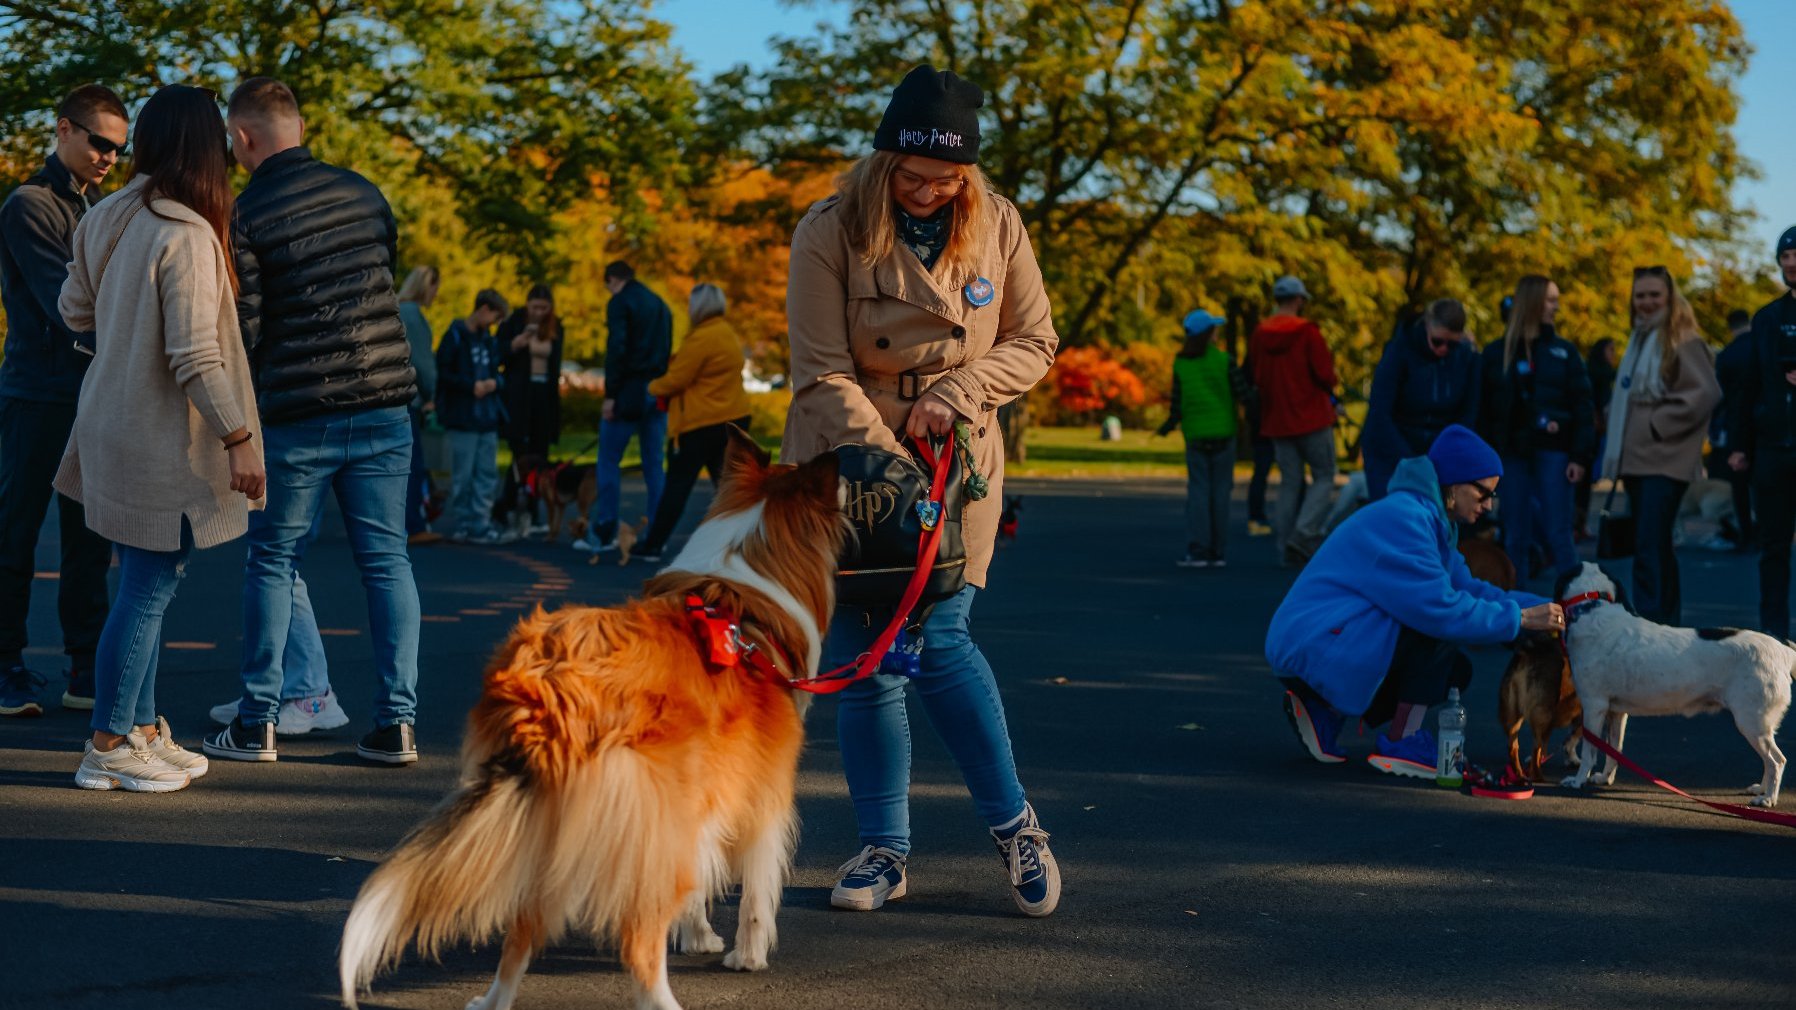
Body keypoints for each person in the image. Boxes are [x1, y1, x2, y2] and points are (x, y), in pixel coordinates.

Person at [782, 64, 1062, 916]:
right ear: (884, 163)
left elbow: (1035, 341)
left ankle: (1016, 827)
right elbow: (820, 372)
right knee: (865, 659)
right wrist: (890, 459)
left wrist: (958, 392)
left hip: (959, 461)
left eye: (948, 179)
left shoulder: (999, 224)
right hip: (852, 463)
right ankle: (882, 850)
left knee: (940, 638)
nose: (932, 192)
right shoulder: (828, 230)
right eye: (914, 176)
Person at [205, 77, 422, 766]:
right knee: (388, 561)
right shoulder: (364, 191)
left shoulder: (246, 214)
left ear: (243, 137)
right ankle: (399, 725)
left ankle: (259, 721)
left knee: (273, 559)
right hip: (387, 405)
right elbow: (383, 279)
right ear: (297, 125)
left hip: (300, 415)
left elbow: (248, 328)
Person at [58, 84, 264, 791]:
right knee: (149, 584)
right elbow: (196, 355)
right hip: (157, 434)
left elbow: (72, 310)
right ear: (207, 148)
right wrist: (239, 437)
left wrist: (123, 328)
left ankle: (140, 726)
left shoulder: (107, 213)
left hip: (106, 422)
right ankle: (109, 741)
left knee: (144, 580)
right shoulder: (185, 231)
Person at [1269, 426, 1560, 777]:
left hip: (1320, 639)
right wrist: (1522, 619)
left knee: (1455, 670)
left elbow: (1472, 590)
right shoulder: (1406, 521)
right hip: (1313, 645)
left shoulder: (1430, 521)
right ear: (1454, 485)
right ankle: (1402, 742)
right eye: (1483, 493)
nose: (1488, 505)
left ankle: (1324, 711)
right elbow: (1441, 610)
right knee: (1437, 630)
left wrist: (1558, 606)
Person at [0, 85, 126, 718]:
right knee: (13, 534)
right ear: (64, 130)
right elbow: (66, 306)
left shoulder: (99, 206)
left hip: (90, 394)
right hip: (35, 393)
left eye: (117, 149)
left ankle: (84, 666)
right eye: (99, 141)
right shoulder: (30, 204)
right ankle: (5, 666)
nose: (108, 156)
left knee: (89, 539)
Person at [1601, 267, 1720, 625]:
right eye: (1640, 295)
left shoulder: (1681, 339)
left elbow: (1705, 392)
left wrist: (1656, 424)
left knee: (1650, 550)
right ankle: (1663, 627)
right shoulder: (1642, 338)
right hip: (1640, 462)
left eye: (1655, 294)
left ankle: (1652, 628)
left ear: (1670, 297)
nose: (1647, 302)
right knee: (1653, 549)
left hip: (1663, 462)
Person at [1478, 275, 1593, 583]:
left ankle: (1577, 612)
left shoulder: (1564, 353)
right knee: (1515, 534)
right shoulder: (1495, 354)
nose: (1557, 307)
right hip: (1512, 454)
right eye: (1551, 300)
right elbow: (1485, 410)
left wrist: (1579, 457)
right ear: (1533, 303)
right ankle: (1520, 617)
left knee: (1560, 534)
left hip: (1555, 453)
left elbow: (1583, 407)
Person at [634, 283, 751, 564]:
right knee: (730, 489)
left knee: (678, 486)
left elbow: (676, 379)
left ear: (698, 307)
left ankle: (653, 545)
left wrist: (650, 388)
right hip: (731, 418)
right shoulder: (726, 334)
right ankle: (746, 548)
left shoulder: (702, 338)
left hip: (702, 424)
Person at [1726, 225, 1796, 639]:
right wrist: (1739, 445)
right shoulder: (1767, 318)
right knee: (1772, 550)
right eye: (1785, 257)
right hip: (1772, 451)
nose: (1790, 264)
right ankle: (1775, 638)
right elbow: (1747, 387)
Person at [575, 261, 670, 554]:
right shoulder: (659, 304)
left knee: (608, 460)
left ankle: (605, 529)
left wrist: (610, 394)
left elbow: (617, 348)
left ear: (613, 280)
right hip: (656, 390)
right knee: (654, 465)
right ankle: (657, 533)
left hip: (628, 389)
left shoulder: (620, 303)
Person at [1247, 275, 1340, 563]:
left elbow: (1257, 376)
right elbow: (1325, 375)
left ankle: (1285, 543)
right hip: (1311, 415)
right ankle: (1304, 532)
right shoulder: (1308, 332)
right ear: (1299, 300)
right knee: (1324, 475)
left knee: (1290, 481)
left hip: (1277, 418)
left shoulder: (1260, 334)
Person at [1360, 298, 1481, 501]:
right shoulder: (1399, 351)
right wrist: (1410, 460)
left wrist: (1444, 453)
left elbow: (1468, 413)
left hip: (1437, 452)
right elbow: (1380, 412)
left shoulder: (1467, 359)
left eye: (1452, 344)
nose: (1443, 349)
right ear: (1427, 326)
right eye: (1437, 341)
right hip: (1391, 448)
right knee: (1391, 513)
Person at [1156, 308, 1242, 568]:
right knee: (1220, 494)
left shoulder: (1181, 363)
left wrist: (1168, 425)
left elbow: (1177, 404)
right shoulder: (1225, 360)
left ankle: (1198, 548)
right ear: (1209, 334)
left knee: (1198, 493)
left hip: (1195, 434)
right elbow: (1242, 393)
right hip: (1224, 433)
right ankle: (1217, 551)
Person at [437, 289, 511, 545]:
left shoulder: (488, 341)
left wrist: (494, 382)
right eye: (495, 316)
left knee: (486, 473)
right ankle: (464, 522)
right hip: (463, 416)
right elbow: (443, 373)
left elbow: (499, 372)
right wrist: (470, 386)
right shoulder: (455, 336)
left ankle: (480, 522)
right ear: (483, 309)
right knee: (463, 475)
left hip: (487, 417)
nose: (494, 323)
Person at [397, 265, 443, 546]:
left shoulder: (393, 308)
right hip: (408, 399)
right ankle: (414, 525)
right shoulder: (413, 315)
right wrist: (432, 396)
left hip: (387, 398)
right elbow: (424, 365)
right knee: (414, 465)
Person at [498, 283, 563, 463]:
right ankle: (516, 488)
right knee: (520, 449)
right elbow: (497, 354)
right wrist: (515, 344)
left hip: (544, 390)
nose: (539, 312)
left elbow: (555, 363)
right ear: (527, 304)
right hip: (520, 391)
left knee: (541, 444)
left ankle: (539, 487)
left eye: (544, 308)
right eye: (535, 307)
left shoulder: (555, 326)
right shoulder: (514, 322)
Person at [1708, 308, 1755, 550]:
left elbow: (1718, 395)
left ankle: (1745, 532)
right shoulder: (1762, 347)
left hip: (1735, 424)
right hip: (1763, 423)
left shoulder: (1727, 355)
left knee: (1738, 484)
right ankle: (1766, 531)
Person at [1575, 336, 1619, 539]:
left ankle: (1578, 524)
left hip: (1588, 431)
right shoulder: (1604, 375)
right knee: (1583, 483)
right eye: (1611, 350)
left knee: (1583, 483)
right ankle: (1578, 524)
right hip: (1592, 432)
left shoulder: (1588, 371)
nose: (1614, 355)